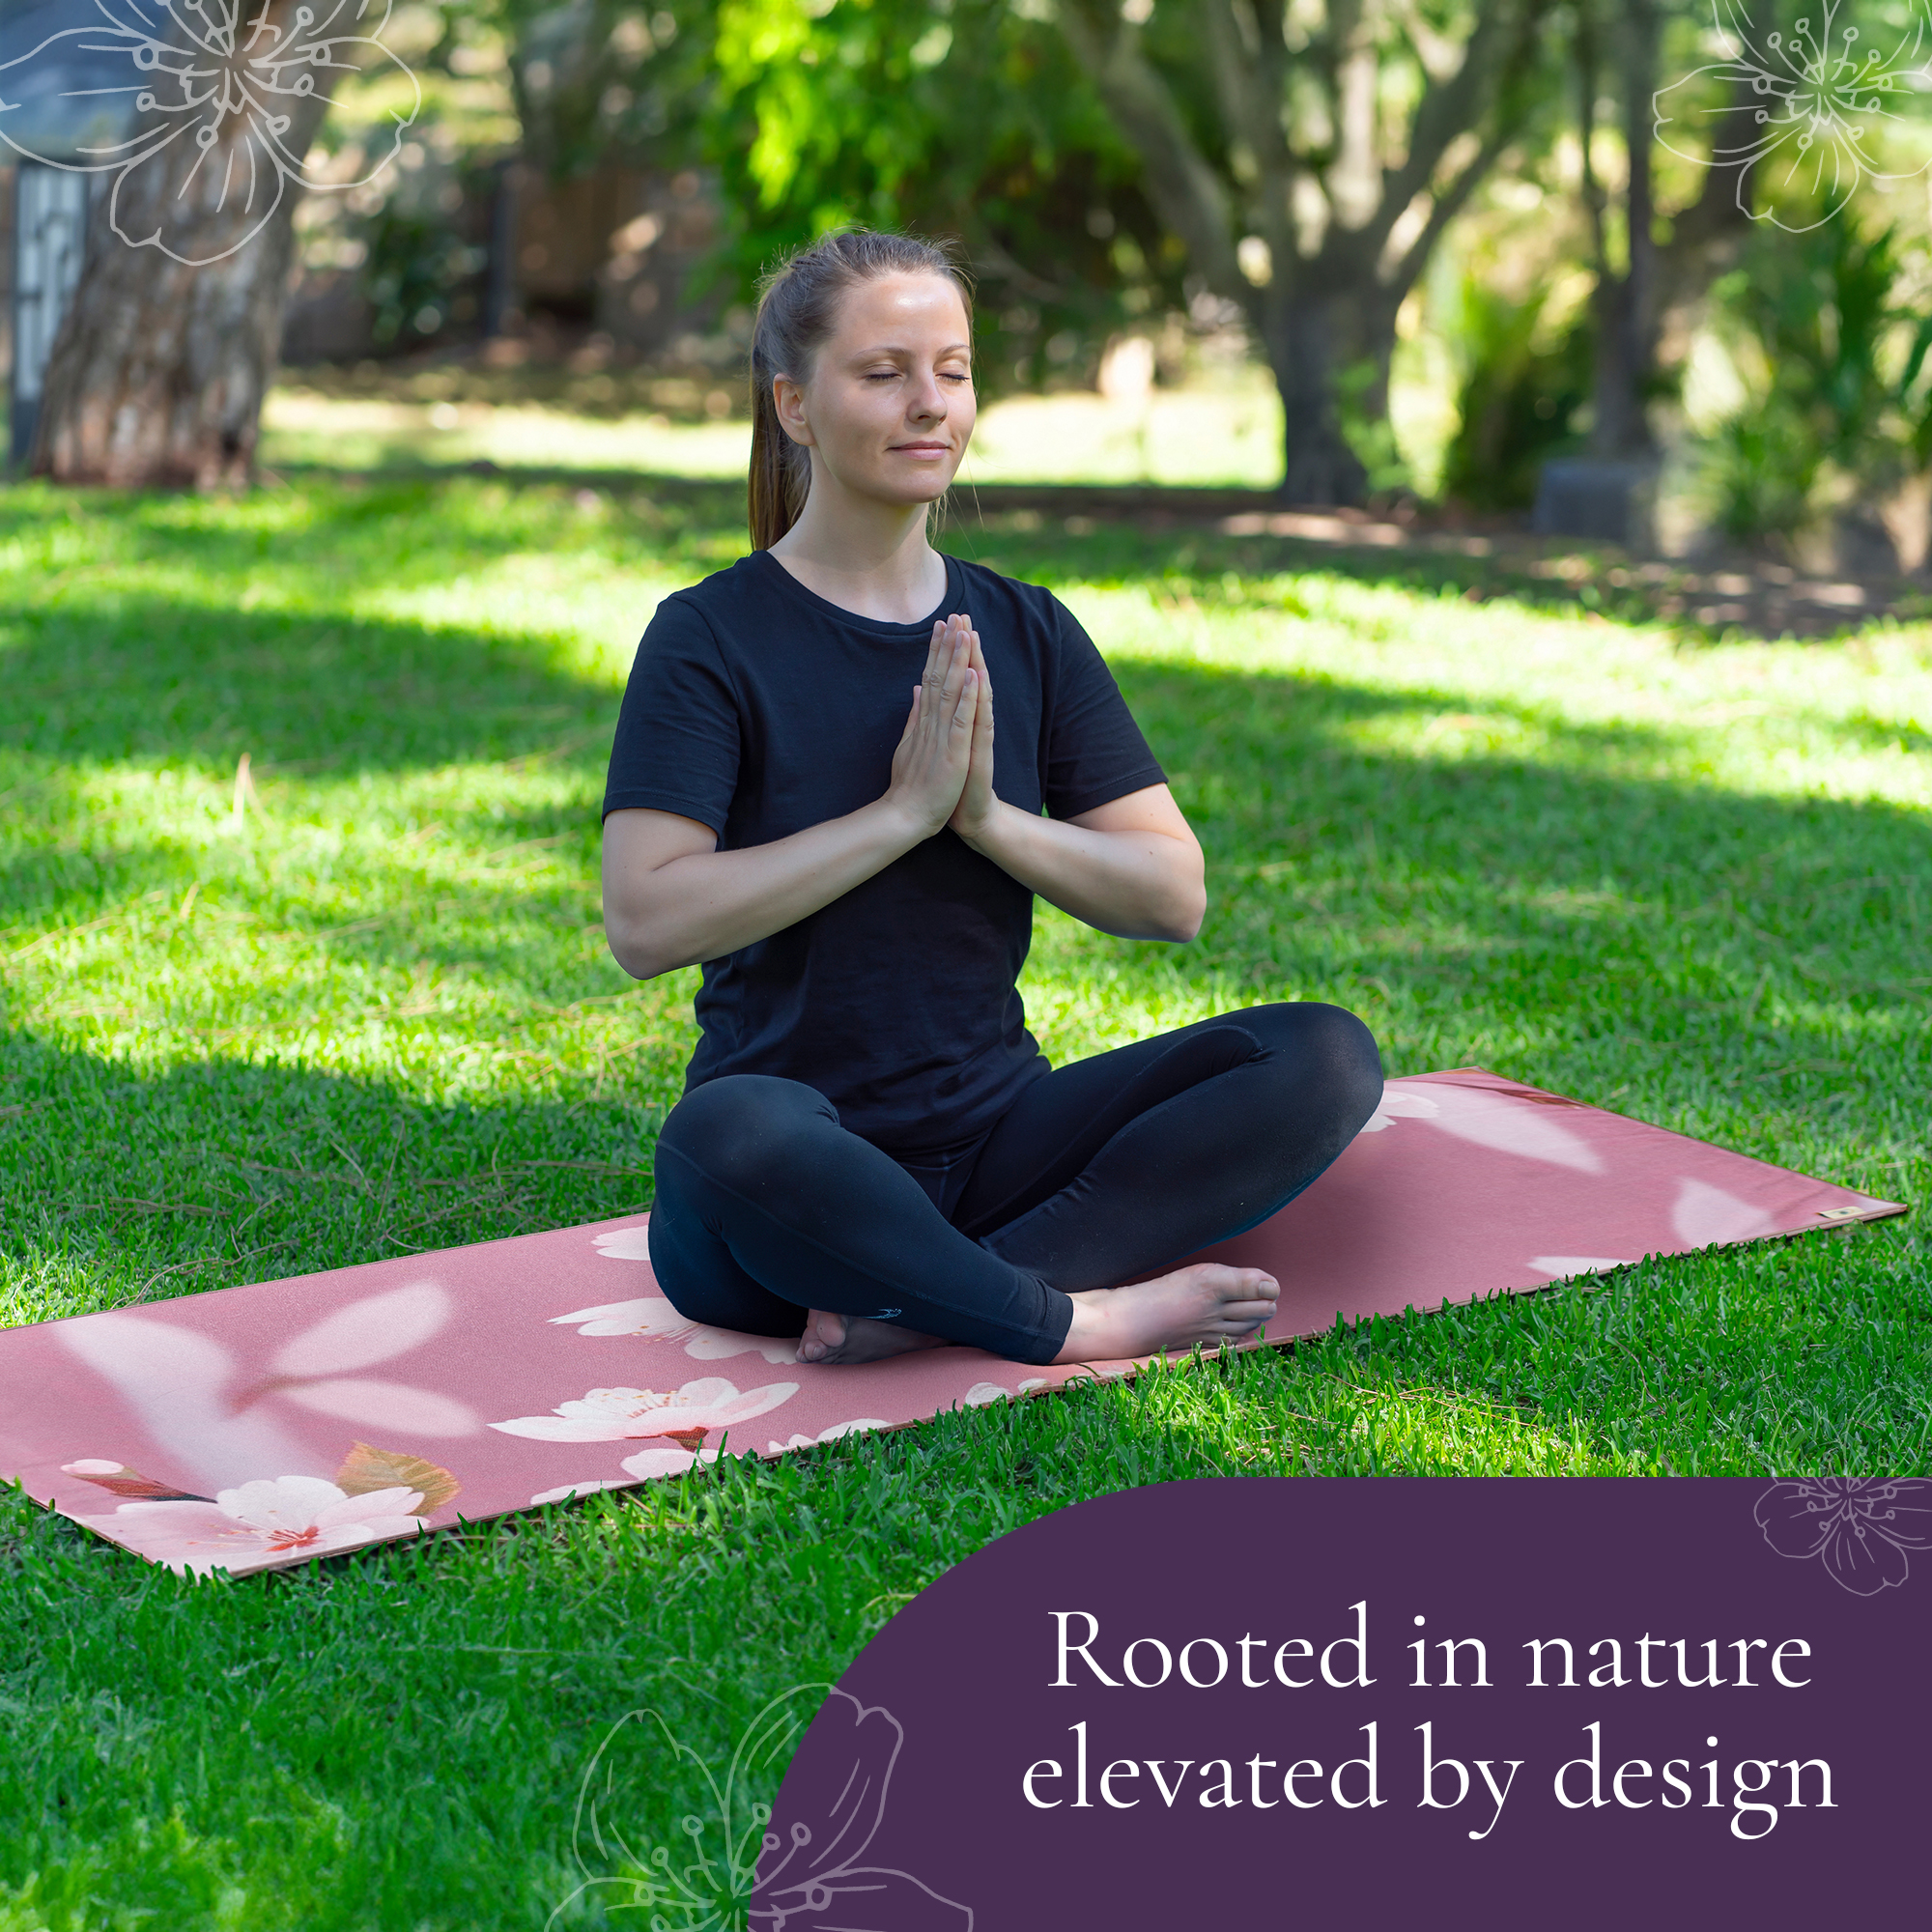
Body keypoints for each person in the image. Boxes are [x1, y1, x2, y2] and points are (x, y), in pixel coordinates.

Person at [601, 229, 1382, 1369]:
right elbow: (645, 921)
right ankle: (1071, 1315)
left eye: (953, 370)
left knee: (1321, 1055)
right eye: (883, 373)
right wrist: (896, 815)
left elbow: (1171, 895)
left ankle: (925, 1299)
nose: (930, 405)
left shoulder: (1026, 630)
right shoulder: (710, 636)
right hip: (791, 1178)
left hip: (995, 1142)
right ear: (795, 406)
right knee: (725, 1131)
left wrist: (986, 820)